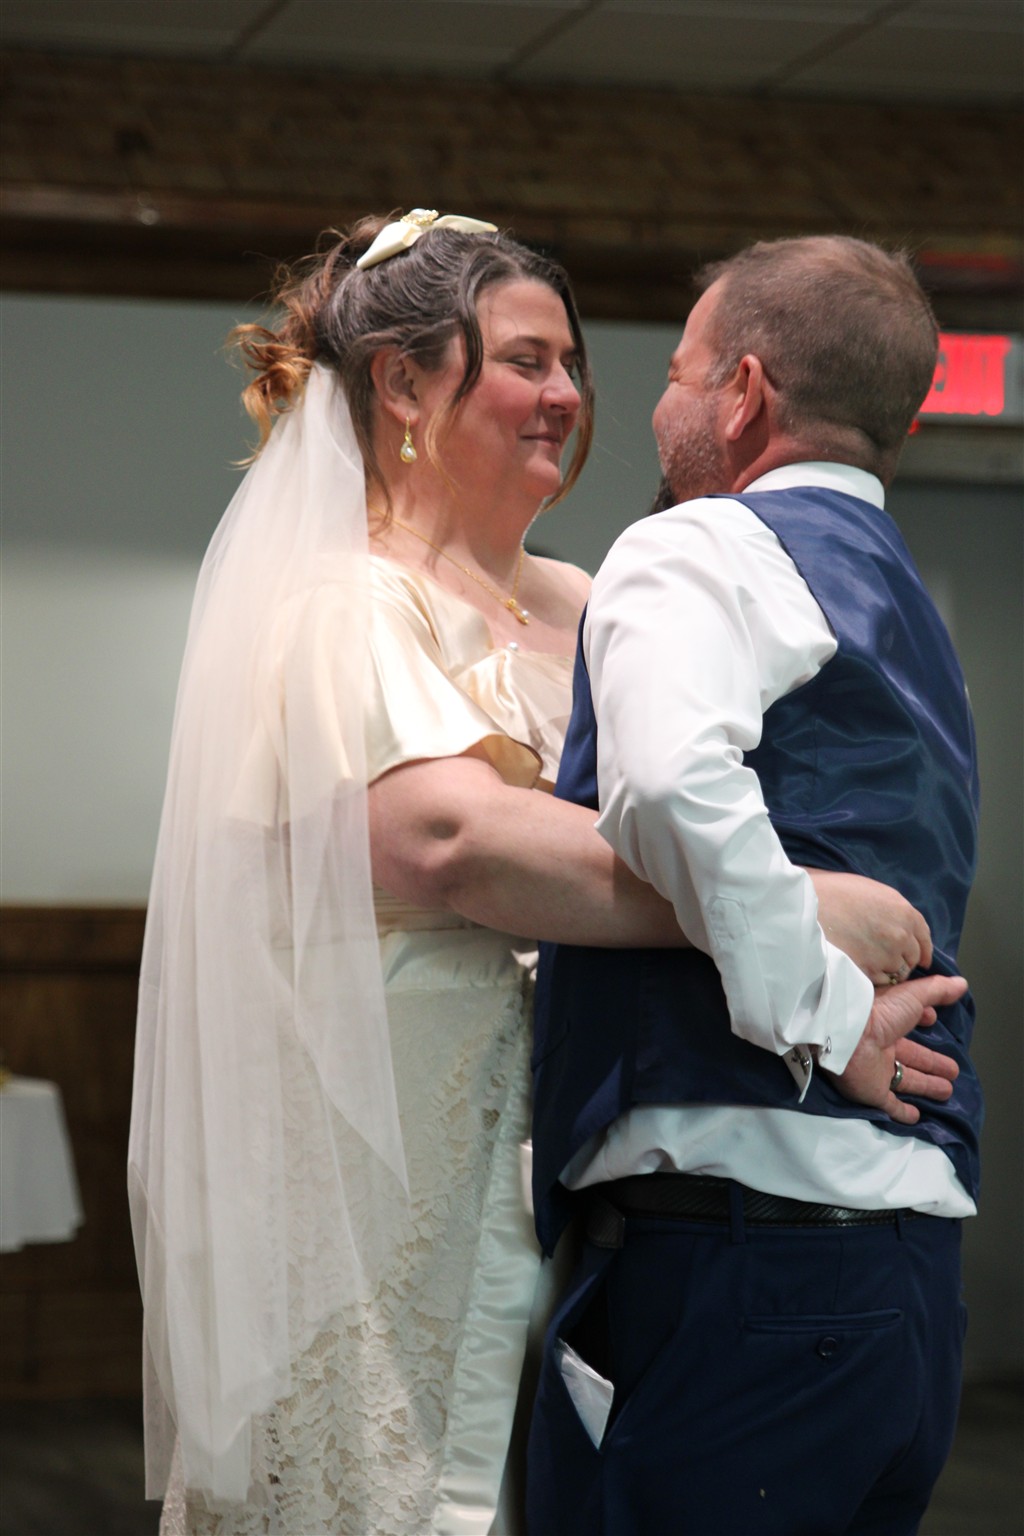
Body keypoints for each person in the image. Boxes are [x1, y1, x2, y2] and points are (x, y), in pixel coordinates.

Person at [128, 211, 949, 1536]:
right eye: (524, 360)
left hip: (585, 1166)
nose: (568, 393)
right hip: (392, 1163)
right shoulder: (342, 603)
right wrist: (794, 914)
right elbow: (450, 841)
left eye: (573, 362)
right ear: (402, 384)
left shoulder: (587, 597)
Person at [527, 236, 981, 1536]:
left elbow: (670, 786)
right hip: (905, 1275)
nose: (654, 407)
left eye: (675, 372)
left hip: (745, 1259)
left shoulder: (702, 546)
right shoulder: (906, 603)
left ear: (744, 391)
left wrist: (829, 1020)